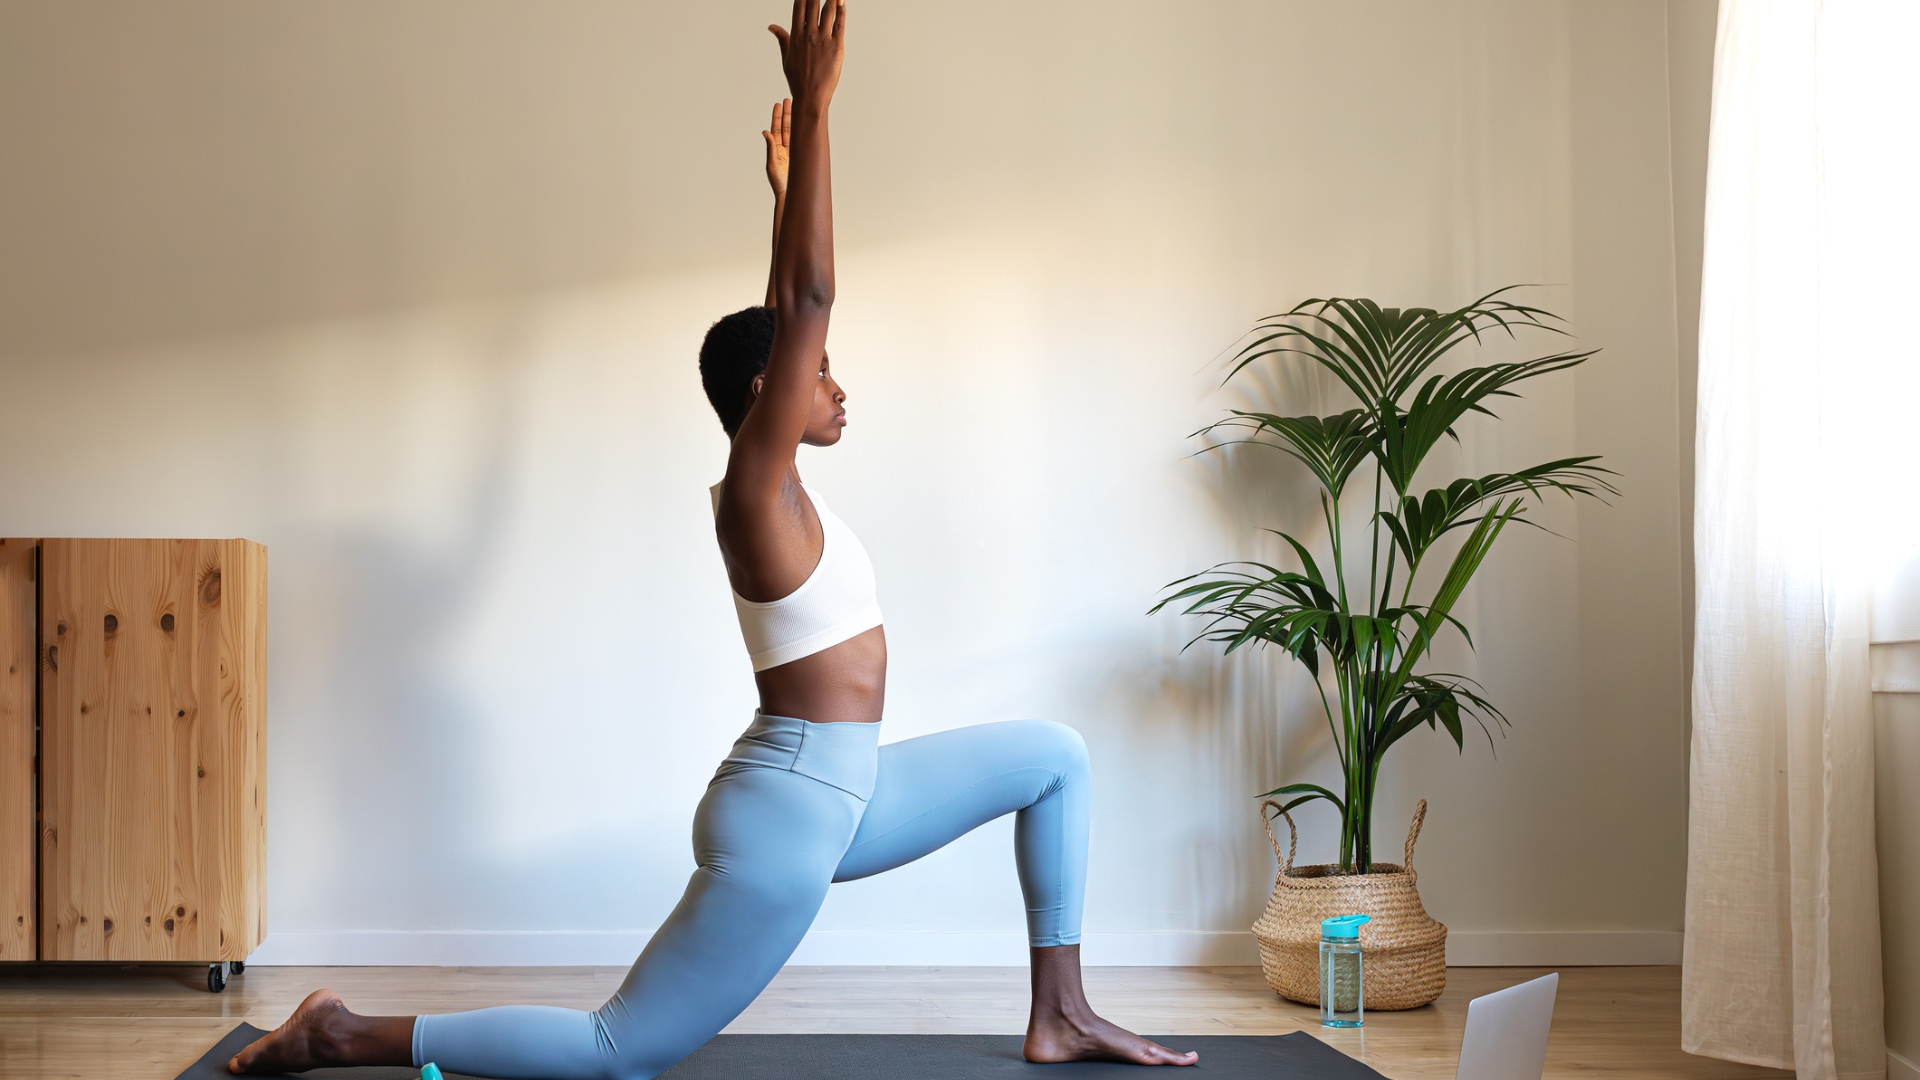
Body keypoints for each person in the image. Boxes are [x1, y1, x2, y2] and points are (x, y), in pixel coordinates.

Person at [229, 4, 1196, 1076]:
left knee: (1052, 759)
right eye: (816, 369)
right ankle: (342, 1033)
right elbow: (809, 298)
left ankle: (1060, 1011)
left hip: (848, 788)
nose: (836, 383)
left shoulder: (777, 487)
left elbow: (794, 300)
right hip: (787, 814)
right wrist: (822, 112)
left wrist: (785, 199)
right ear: (765, 392)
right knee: (617, 1049)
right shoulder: (756, 489)